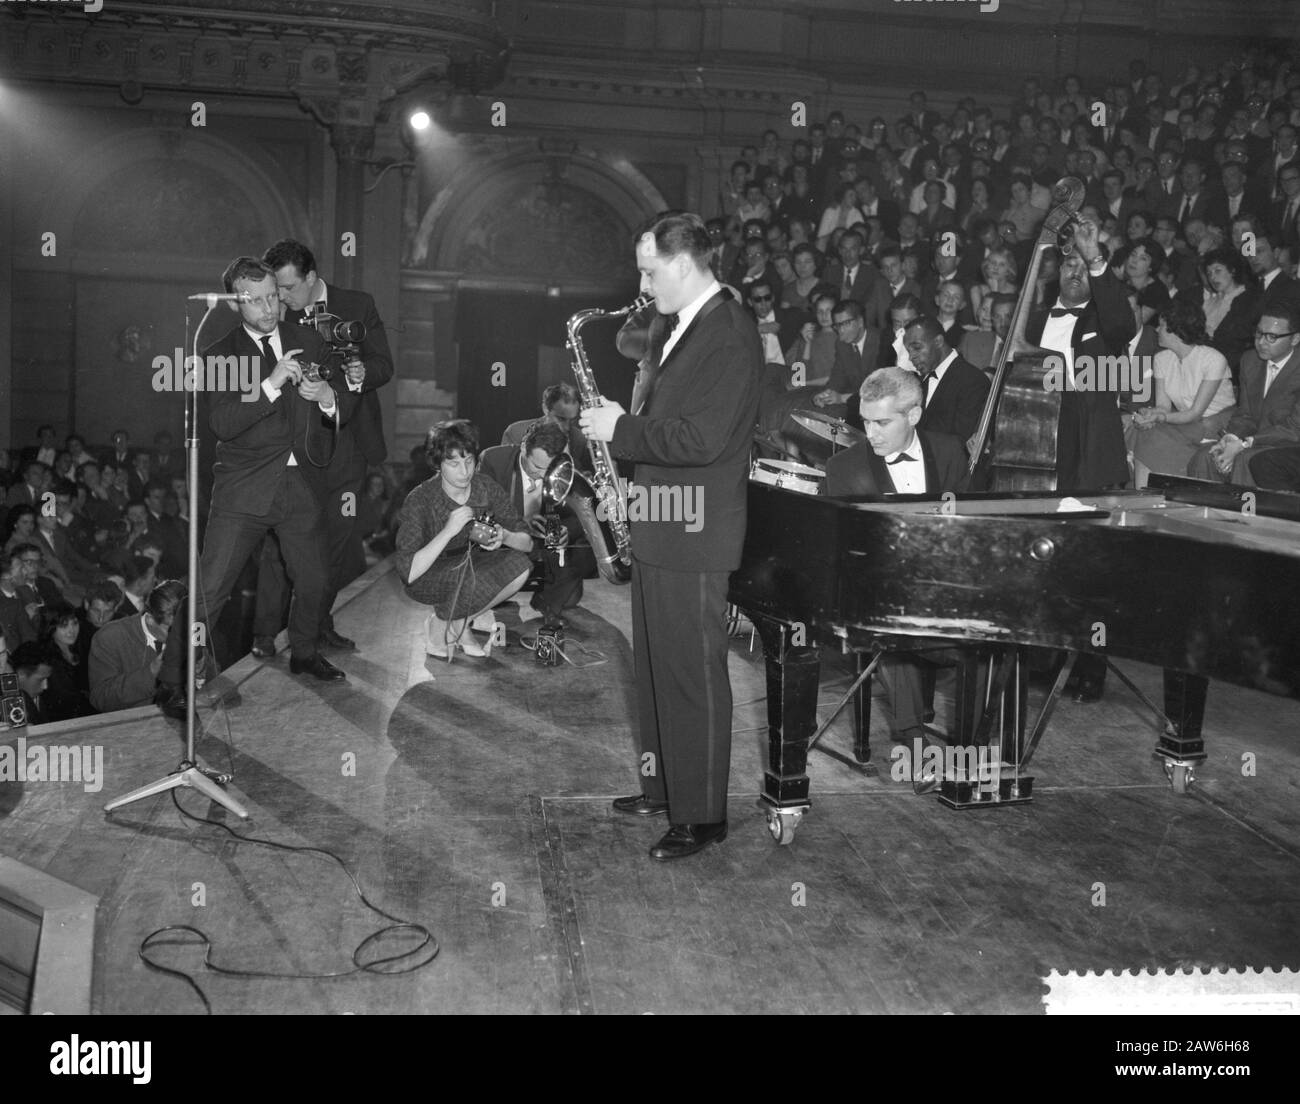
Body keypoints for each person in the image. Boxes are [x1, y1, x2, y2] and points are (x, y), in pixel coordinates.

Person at [579, 212, 762, 862]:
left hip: (697, 531)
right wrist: (627, 487)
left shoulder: (730, 334)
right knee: (655, 669)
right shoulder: (678, 327)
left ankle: (703, 814)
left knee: (692, 674)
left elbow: (703, 439)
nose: (641, 281)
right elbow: (670, 429)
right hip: (662, 517)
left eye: (649, 269)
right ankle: (663, 788)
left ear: (684, 265)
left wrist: (620, 429)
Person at [155, 256, 357, 718]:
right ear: (235, 303)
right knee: (209, 591)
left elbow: (342, 399)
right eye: (257, 301)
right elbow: (223, 422)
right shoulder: (220, 355)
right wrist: (269, 384)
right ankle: (171, 683)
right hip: (243, 490)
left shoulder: (308, 339)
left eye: (273, 296)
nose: (270, 308)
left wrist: (327, 399)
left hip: (299, 482)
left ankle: (303, 653)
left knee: (316, 579)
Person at [824, 367, 970, 791]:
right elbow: (840, 551)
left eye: (882, 422)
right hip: (883, 596)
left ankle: (975, 744)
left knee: (1002, 641)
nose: (870, 433)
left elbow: (971, 525)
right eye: (866, 421)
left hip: (947, 591)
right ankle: (916, 745)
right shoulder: (843, 468)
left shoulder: (949, 451)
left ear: (915, 414)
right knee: (891, 633)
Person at [251, 238, 396, 656]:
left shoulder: (357, 304)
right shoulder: (271, 313)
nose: (280, 299)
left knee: (334, 542)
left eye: (288, 289)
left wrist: (356, 373)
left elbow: (383, 366)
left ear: (312, 278)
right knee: (282, 543)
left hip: (346, 442)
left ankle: (316, 626)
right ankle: (264, 634)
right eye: (274, 290)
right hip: (291, 448)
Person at [394, 420, 533, 659]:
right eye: (454, 463)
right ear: (438, 464)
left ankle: (455, 621)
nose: (464, 471)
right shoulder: (421, 499)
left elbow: (527, 542)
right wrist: (448, 530)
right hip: (430, 575)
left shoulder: (485, 486)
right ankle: (448, 623)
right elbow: (409, 574)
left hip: (472, 564)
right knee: (468, 576)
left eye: (469, 461)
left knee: (521, 566)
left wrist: (506, 536)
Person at [478, 419, 597, 626]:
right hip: (507, 540)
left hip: (545, 541)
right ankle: (497, 594)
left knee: (571, 596)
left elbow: (584, 514)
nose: (544, 475)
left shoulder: (563, 468)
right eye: (537, 466)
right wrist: (520, 522)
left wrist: (565, 530)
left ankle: (544, 601)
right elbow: (480, 515)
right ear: (524, 447)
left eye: (549, 468)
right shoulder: (493, 460)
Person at [1186, 304, 1300, 485]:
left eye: (1272, 337)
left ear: (1294, 339)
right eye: (1259, 333)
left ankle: (1244, 513)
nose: (1262, 342)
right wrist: (1230, 438)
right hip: (1253, 441)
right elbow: (1245, 414)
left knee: (1245, 460)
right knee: (1205, 456)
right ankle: (1208, 512)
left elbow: (1294, 430)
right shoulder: (1250, 360)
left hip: (1287, 448)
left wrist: (1244, 444)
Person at [1129, 300, 1236, 487]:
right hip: (1184, 421)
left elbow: (1195, 412)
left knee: (1155, 436)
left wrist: (1160, 418)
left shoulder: (1213, 359)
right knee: (1145, 430)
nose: (1156, 330)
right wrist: (1151, 414)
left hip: (1215, 422)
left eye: (1161, 326)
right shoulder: (1162, 359)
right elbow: (1163, 406)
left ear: (1175, 330)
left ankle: (1148, 492)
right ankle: (1142, 494)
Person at [89, 580, 183, 713]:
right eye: (171, 629)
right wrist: (152, 673)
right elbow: (101, 699)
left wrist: (201, 667)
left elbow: (211, 678)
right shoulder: (109, 638)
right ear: (150, 619)